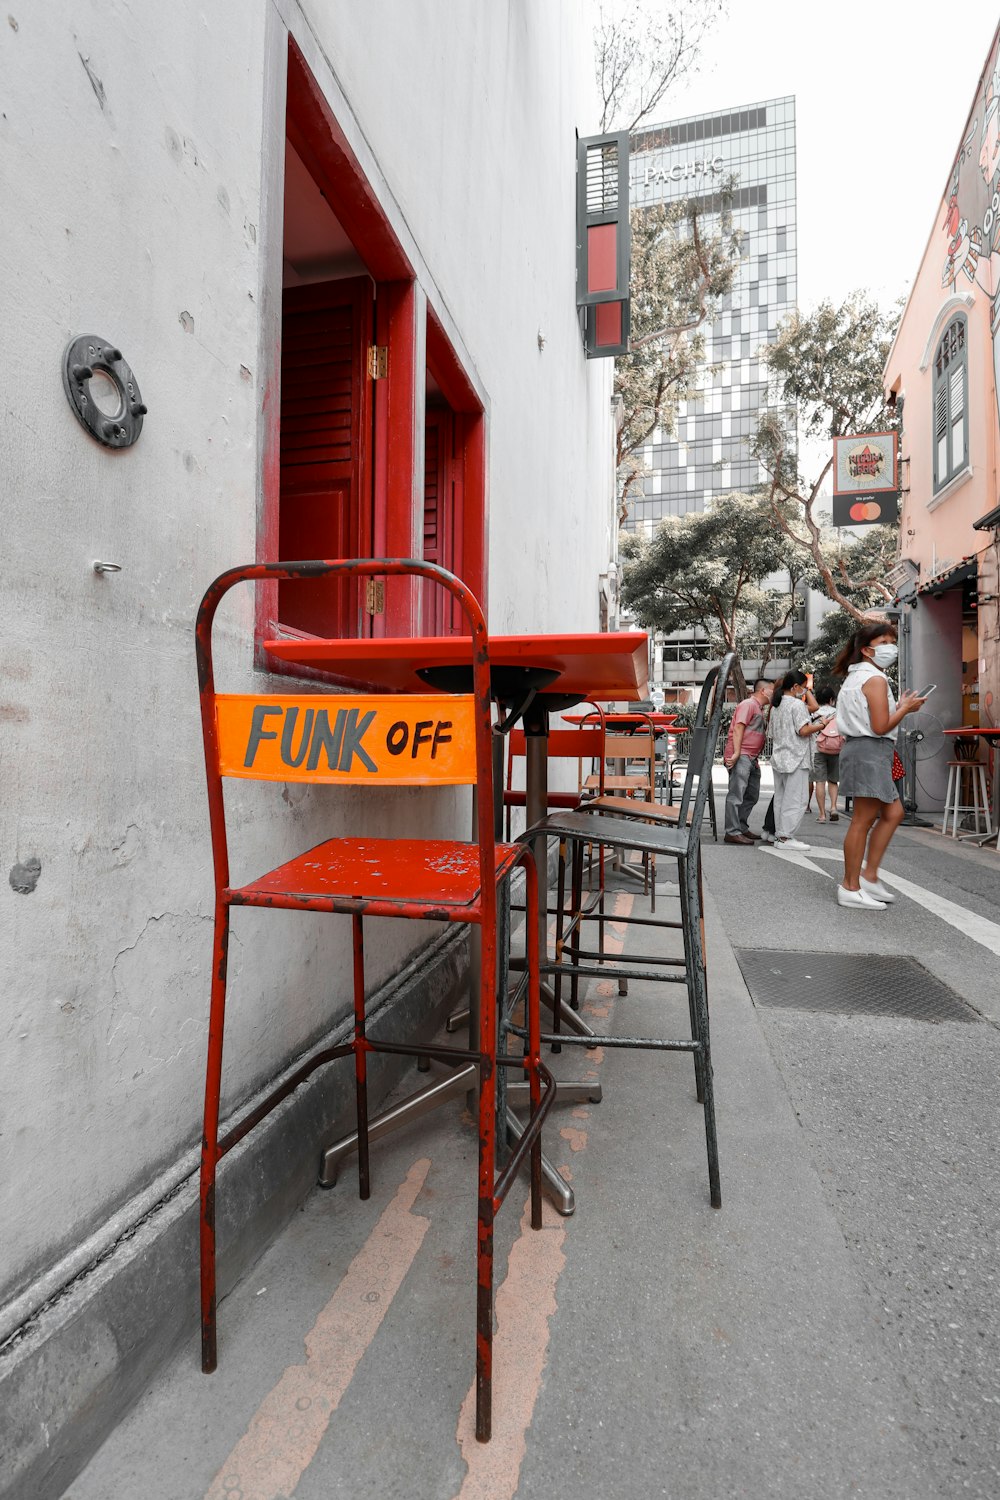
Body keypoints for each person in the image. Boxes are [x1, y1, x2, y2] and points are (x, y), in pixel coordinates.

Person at [833, 622, 925, 909]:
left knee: (894, 812)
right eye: (884, 641)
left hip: (869, 751)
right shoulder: (875, 679)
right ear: (866, 649)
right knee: (862, 820)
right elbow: (880, 725)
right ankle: (850, 886)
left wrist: (901, 708)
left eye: (891, 641)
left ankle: (869, 876)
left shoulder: (859, 676)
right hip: (870, 750)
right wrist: (905, 710)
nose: (890, 647)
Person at [767, 670, 834, 850]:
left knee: (781, 798)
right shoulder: (796, 705)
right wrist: (822, 725)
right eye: (804, 688)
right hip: (796, 757)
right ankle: (785, 837)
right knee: (796, 799)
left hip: (779, 757)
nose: (805, 691)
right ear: (795, 687)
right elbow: (803, 731)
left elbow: (772, 733)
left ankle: (780, 834)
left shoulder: (776, 706)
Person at [722, 676, 773, 845]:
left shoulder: (758, 707)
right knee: (737, 794)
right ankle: (732, 831)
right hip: (742, 755)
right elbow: (738, 727)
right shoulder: (748, 704)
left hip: (751, 757)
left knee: (751, 794)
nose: (775, 693)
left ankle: (741, 827)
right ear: (763, 690)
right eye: (772, 690)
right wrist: (736, 753)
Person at [812, 684, 843, 823]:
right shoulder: (837, 713)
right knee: (833, 780)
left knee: (820, 781)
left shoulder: (814, 713)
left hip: (818, 750)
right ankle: (834, 807)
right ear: (831, 699)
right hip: (836, 749)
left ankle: (822, 815)